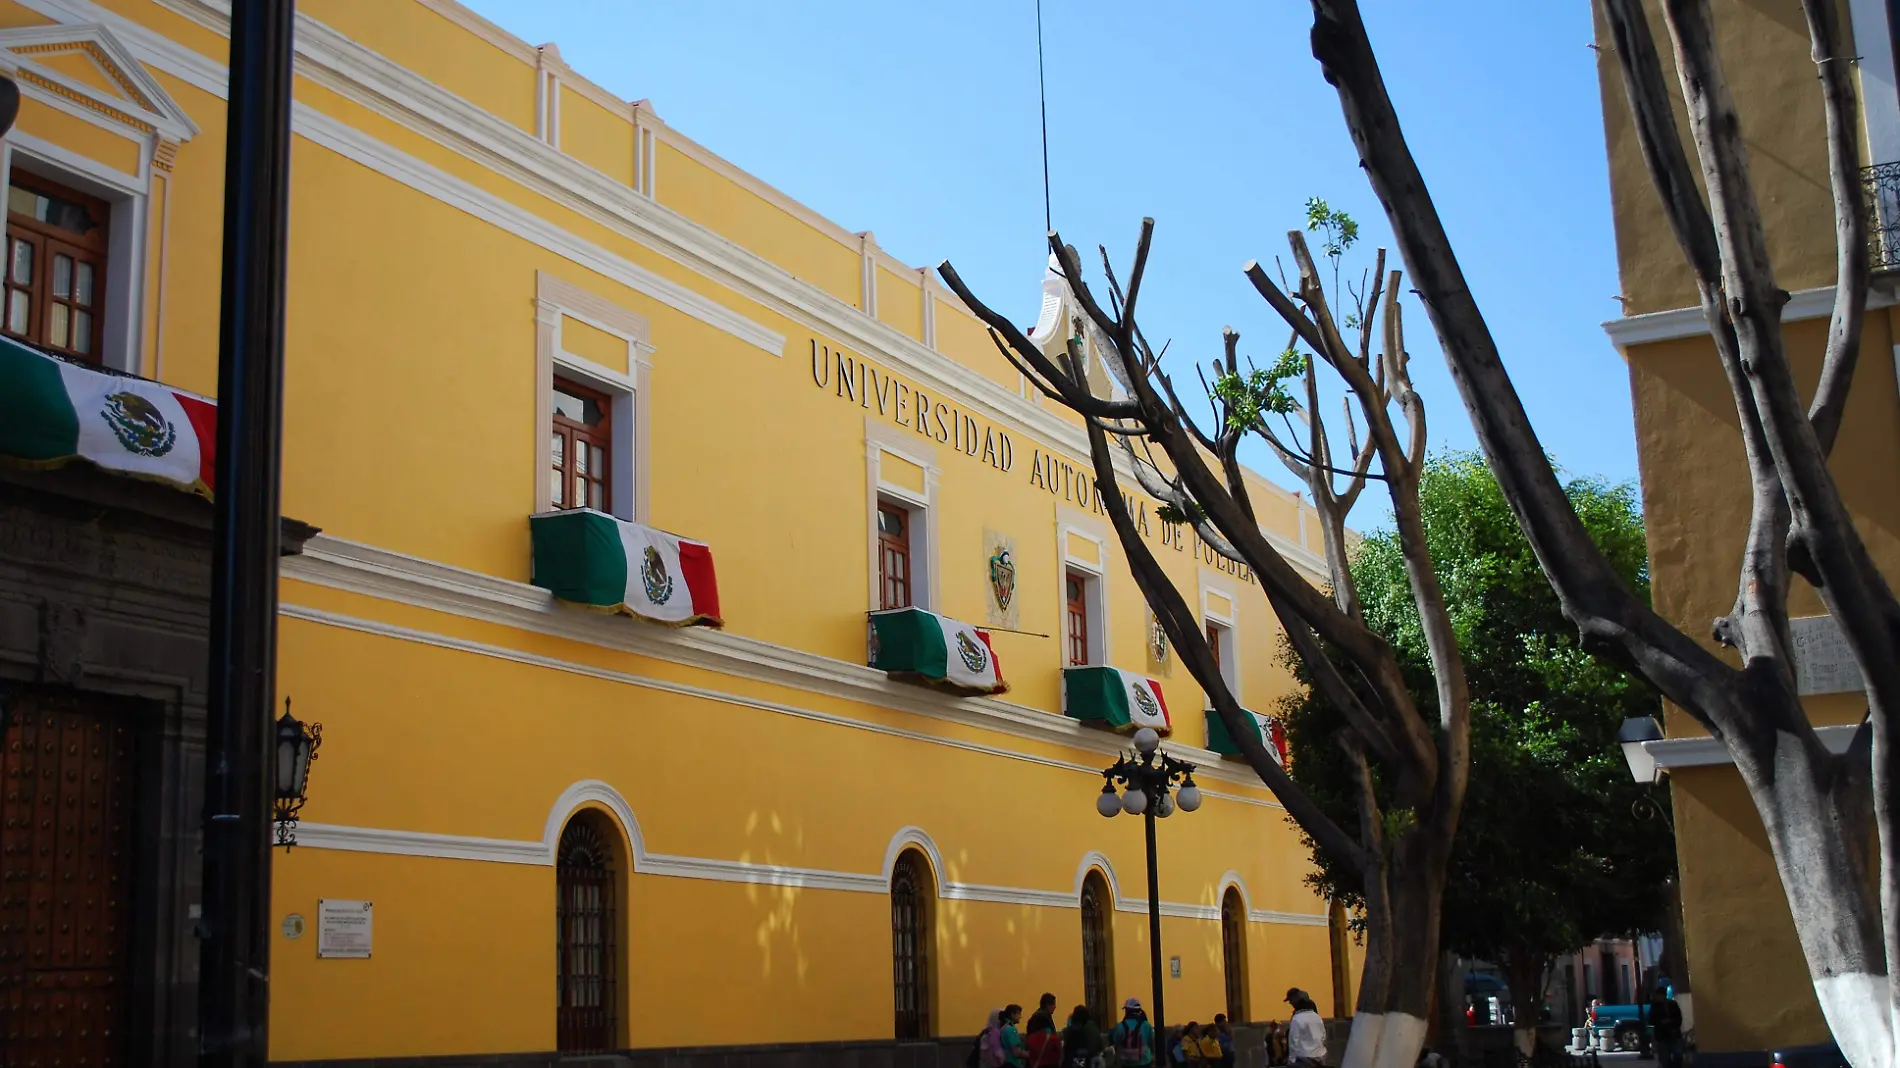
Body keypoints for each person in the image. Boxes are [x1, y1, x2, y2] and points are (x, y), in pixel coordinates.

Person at [1110, 998, 1155, 1068]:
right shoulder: (1146, 1025)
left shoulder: (1120, 1026)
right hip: (1144, 1061)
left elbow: (1115, 1043)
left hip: (1126, 1062)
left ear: (1127, 1010)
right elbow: (1152, 1042)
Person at [1647, 986, 1686, 1068]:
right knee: (1665, 1058)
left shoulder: (1672, 1004)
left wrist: (1672, 1023)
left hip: (1674, 1033)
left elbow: (1678, 1018)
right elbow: (1651, 1020)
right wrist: (1661, 1022)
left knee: (1678, 1054)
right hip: (1662, 1035)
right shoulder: (1655, 1007)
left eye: (1662, 995)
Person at [1286, 992, 1327, 1068]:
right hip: (1319, 1056)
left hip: (1303, 1058)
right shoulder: (1317, 1017)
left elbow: (1294, 1041)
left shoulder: (1297, 1018)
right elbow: (1323, 1036)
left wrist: (1291, 1060)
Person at [1027, 995, 1063, 1068]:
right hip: (1045, 1058)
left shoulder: (1040, 1016)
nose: (1055, 1007)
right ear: (1047, 1005)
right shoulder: (1041, 1018)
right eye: (1053, 1004)